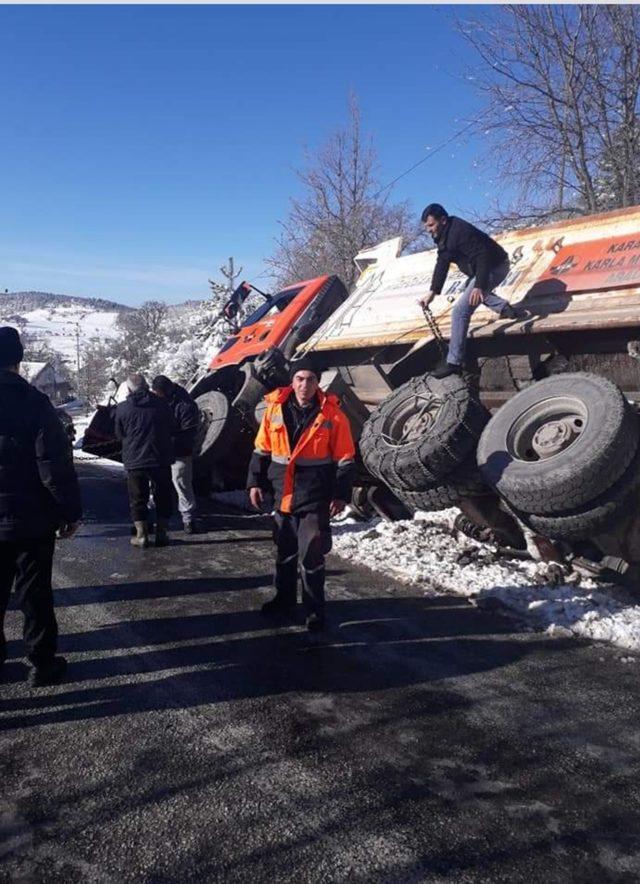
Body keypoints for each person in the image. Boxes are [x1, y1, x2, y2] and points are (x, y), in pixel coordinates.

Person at [247, 357, 356, 632]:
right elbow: (261, 449)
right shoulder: (274, 410)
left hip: (315, 497)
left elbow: (345, 458)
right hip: (283, 492)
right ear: (292, 381)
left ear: (318, 383)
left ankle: (314, 611)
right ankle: (283, 601)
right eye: (299, 378)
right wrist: (254, 483)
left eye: (310, 379)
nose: (304, 385)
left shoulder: (333, 415)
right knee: (284, 552)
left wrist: (341, 495)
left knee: (311, 555)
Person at [0, 326, 82, 687]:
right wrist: (69, 512)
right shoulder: (35, 403)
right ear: (17, 361)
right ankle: (41, 663)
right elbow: (53, 464)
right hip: (31, 520)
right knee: (34, 594)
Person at [418, 203, 520, 378]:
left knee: (459, 312)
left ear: (443, 220)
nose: (428, 230)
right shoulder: (443, 236)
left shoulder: (460, 231)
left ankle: (454, 362)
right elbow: (442, 264)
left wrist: (480, 285)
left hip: (495, 266)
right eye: (426, 226)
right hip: (481, 271)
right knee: (469, 289)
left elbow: (483, 256)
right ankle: (504, 308)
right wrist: (432, 292)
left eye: (431, 225)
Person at [114, 374, 176, 548]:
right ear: (147, 386)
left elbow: (119, 434)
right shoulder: (162, 404)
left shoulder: (123, 408)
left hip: (135, 460)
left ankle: (141, 536)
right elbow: (173, 426)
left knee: (137, 498)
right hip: (160, 459)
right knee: (163, 496)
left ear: (129, 389)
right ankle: (162, 534)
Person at [151, 375, 200, 534]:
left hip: (180, 450)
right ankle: (156, 518)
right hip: (160, 450)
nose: (157, 396)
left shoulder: (186, 405)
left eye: (159, 393)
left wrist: (167, 439)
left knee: (182, 484)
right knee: (156, 485)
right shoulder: (159, 401)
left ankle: (188, 519)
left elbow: (189, 432)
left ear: (167, 391)